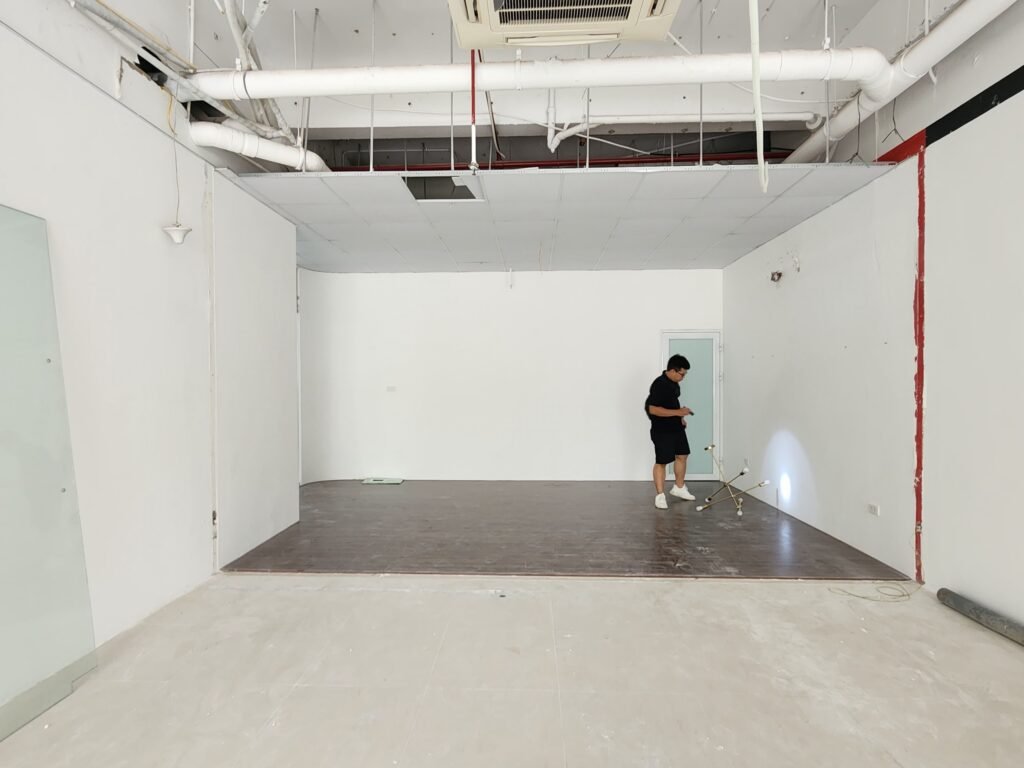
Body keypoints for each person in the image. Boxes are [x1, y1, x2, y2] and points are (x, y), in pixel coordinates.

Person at [645, 354, 696, 509]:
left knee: (682, 454)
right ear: (673, 370)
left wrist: (680, 417)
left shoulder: (674, 384)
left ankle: (679, 488)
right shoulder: (659, 384)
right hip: (662, 430)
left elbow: (671, 404)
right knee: (662, 461)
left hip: (676, 427)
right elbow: (653, 409)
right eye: (682, 374)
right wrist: (678, 413)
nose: (683, 377)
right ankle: (660, 496)